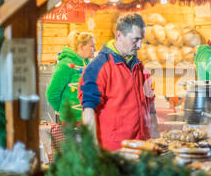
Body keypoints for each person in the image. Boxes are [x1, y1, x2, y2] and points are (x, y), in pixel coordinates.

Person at [79, 13, 159, 151]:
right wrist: (92, 151)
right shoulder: (98, 67)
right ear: (119, 35)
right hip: (114, 154)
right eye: (135, 40)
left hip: (143, 151)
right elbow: (88, 110)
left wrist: (157, 142)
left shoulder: (140, 68)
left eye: (141, 40)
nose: (139, 45)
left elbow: (151, 108)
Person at [46, 31, 95, 123]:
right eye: (91, 46)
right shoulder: (65, 64)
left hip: (86, 118)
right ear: (81, 47)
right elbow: (52, 93)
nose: (95, 49)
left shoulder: (87, 63)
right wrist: (62, 110)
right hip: (71, 121)